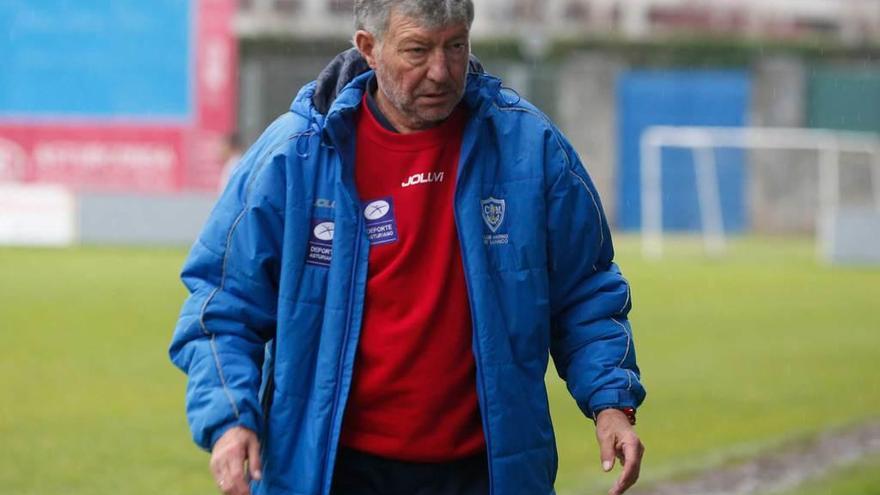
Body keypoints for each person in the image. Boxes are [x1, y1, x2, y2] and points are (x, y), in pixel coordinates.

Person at [169, 1, 646, 494]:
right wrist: (230, 419)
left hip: (485, 473)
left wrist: (612, 402)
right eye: (417, 50)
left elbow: (586, 290)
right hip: (333, 471)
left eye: (455, 46)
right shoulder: (294, 155)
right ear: (368, 49)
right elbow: (221, 304)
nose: (440, 71)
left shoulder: (530, 147)